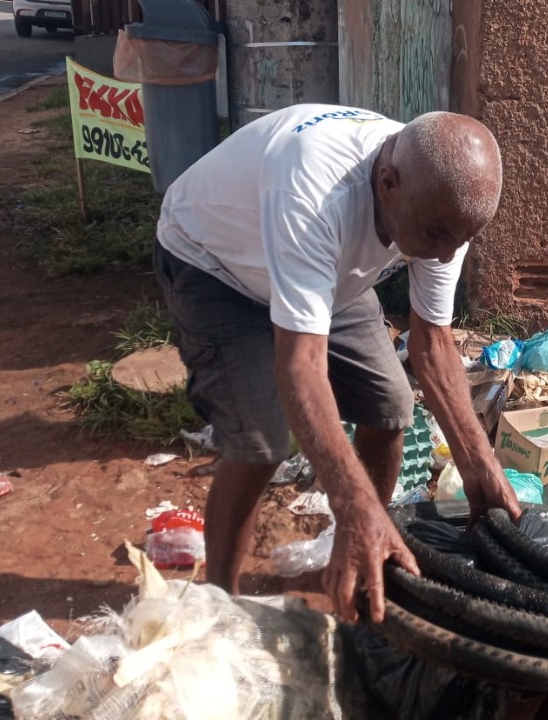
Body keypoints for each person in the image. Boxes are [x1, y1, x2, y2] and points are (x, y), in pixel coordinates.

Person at [153, 104, 521, 624]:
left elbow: (433, 343)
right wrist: (354, 504)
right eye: (437, 238)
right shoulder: (314, 190)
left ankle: (352, 558)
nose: (444, 257)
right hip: (218, 267)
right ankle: (223, 607)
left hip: (325, 275)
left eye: (459, 241)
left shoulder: (443, 206)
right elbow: (300, 365)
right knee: (261, 443)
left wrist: (479, 461)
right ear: (387, 184)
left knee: (391, 407)